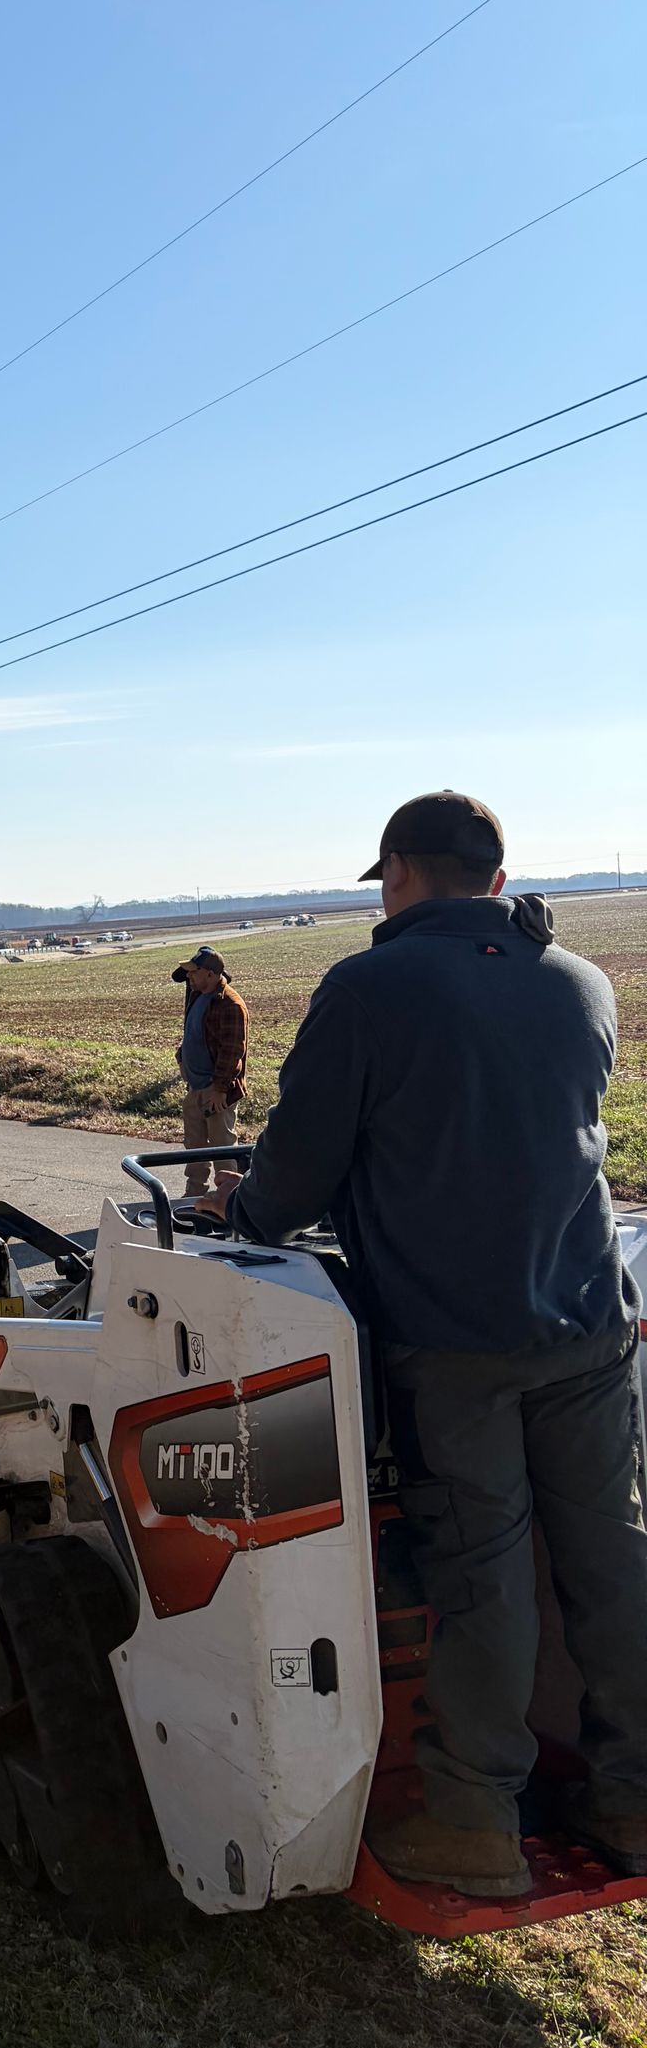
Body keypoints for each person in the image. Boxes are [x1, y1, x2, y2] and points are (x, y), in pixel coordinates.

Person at [204, 791, 647, 1898]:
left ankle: (474, 1822)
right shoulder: (581, 983)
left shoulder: (367, 988)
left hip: (457, 1342)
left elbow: (297, 1170)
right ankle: (636, 1796)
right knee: (612, 1557)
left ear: (397, 874)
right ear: (497, 879)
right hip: (592, 1322)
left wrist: (241, 1219)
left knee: (481, 1568)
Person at [171, 945, 247, 1194]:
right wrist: (182, 1059)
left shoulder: (230, 1004)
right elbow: (189, 1034)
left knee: (222, 1147)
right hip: (195, 1088)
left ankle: (229, 1197)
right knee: (194, 1148)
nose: (190, 977)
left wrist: (220, 1089)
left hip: (216, 1091)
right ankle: (194, 1195)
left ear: (212, 974)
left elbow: (232, 1051)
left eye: (195, 972)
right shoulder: (196, 996)